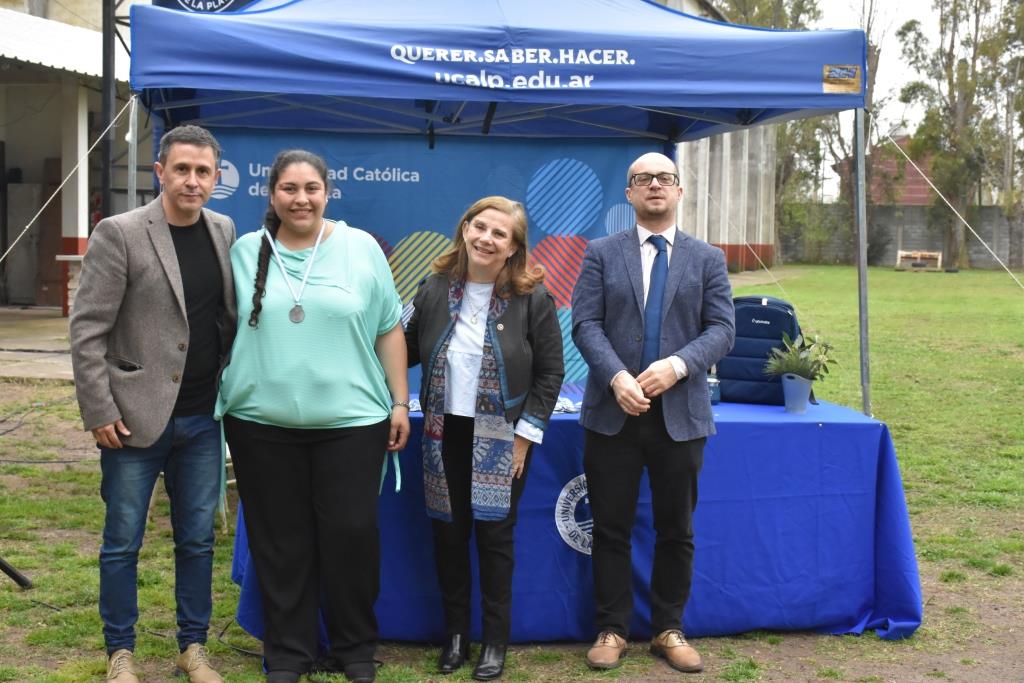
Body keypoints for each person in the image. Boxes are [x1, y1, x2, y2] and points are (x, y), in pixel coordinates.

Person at [217, 149, 409, 683]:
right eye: (289, 189)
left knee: (351, 535)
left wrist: (398, 401)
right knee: (280, 542)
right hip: (260, 425)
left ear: (328, 193)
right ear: (271, 194)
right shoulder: (245, 251)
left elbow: (389, 328)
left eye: (311, 189)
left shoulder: (361, 248)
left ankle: (355, 649)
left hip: (351, 424)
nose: (301, 199)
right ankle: (288, 652)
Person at [70, 124, 234, 683]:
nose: (192, 180)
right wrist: (99, 410)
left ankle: (194, 649)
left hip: (201, 420)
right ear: (158, 172)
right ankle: (121, 653)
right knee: (122, 543)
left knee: (196, 540)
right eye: (182, 169)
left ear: (216, 177)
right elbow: (87, 330)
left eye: (203, 171)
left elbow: (220, 320)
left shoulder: (223, 228)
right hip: (131, 420)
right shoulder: (118, 233)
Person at [571, 152, 735, 674]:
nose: (655, 186)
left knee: (676, 528)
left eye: (665, 178)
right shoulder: (601, 252)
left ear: (680, 191)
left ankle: (668, 629)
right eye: (643, 179)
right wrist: (617, 377)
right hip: (613, 412)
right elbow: (585, 324)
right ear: (630, 195)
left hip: (680, 416)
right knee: (611, 527)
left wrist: (678, 366)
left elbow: (723, 330)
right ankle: (613, 629)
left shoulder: (708, 258)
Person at [405, 196, 564, 681]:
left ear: (514, 247)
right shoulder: (432, 289)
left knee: (495, 539)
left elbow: (550, 373)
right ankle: (456, 636)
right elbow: (401, 347)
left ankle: (494, 642)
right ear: (464, 228)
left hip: (502, 437)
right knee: (448, 536)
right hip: (440, 432)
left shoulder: (533, 298)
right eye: (479, 227)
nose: (486, 239)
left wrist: (525, 437)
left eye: (500, 234)